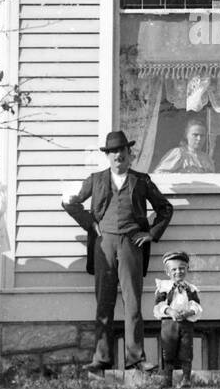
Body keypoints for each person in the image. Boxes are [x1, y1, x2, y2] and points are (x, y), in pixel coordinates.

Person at [62, 130, 175, 373]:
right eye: (113, 152)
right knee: (104, 301)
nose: (117, 156)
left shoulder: (141, 180)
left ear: (128, 153)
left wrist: (151, 234)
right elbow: (71, 202)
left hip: (131, 245)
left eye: (121, 151)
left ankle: (136, 357)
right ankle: (102, 358)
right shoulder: (97, 179)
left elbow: (165, 208)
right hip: (104, 243)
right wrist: (90, 224)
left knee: (132, 302)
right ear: (108, 156)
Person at [152, 251, 202, 387]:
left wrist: (188, 312)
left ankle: (186, 379)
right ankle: (167, 379)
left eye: (181, 268)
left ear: (187, 269)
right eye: (174, 269)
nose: (178, 272)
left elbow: (196, 305)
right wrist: (170, 311)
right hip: (169, 324)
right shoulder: (164, 287)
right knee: (168, 351)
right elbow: (159, 305)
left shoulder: (191, 289)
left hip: (186, 324)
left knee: (186, 351)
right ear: (167, 272)